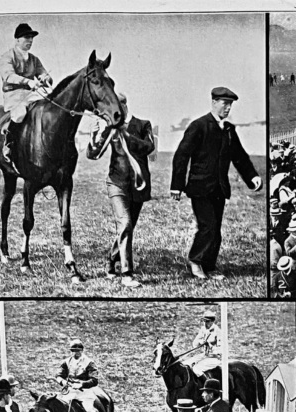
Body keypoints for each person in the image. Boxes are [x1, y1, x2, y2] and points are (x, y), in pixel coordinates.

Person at [170, 87, 263, 281]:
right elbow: (181, 155)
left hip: (219, 189)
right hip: (199, 188)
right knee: (208, 227)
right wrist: (177, 185)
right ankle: (195, 261)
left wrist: (252, 177)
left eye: (230, 105)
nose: (228, 108)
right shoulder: (199, 125)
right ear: (213, 102)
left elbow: (240, 157)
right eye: (224, 103)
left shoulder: (229, 130)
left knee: (216, 230)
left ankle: (210, 266)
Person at [86, 92, 155, 288]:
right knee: (124, 223)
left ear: (124, 105)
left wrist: (127, 135)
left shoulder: (143, 125)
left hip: (138, 186)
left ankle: (112, 260)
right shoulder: (110, 129)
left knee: (128, 227)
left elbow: (148, 147)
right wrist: (95, 136)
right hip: (116, 183)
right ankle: (127, 274)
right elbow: (93, 154)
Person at [0, 23, 52, 163]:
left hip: (31, 94)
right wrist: (28, 82)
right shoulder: (7, 57)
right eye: (27, 37)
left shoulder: (34, 59)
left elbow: (45, 74)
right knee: (20, 113)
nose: (30, 41)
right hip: (14, 95)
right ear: (17, 40)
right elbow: (8, 76)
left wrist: (45, 78)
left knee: (50, 106)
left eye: (32, 38)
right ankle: (8, 145)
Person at [56, 339, 103, 412]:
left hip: (84, 392)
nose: (75, 353)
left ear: (82, 351)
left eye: (77, 351)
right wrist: (63, 382)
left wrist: (81, 384)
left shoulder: (89, 363)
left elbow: (94, 380)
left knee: (89, 410)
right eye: (73, 351)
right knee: (60, 408)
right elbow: (58, 375)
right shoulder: (66, 362)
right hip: (69, 391)